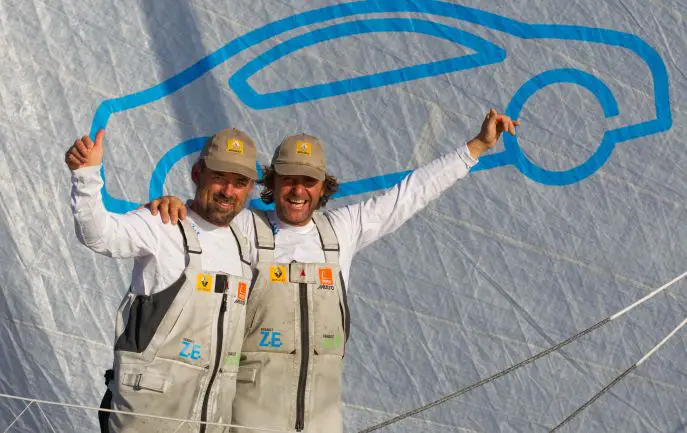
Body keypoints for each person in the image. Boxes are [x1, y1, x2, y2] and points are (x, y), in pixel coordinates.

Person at [150, 109, 519, 433]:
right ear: (271, 182)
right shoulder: (243, 229)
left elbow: (411, 194)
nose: (297, 191)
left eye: (308, 181)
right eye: (289, 179)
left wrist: (476, 147)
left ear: (324, 187)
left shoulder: (343, 230)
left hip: (321, 423)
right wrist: (175, 205)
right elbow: (208, 211)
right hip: (248, 421)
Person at [66, 128, 259, 433]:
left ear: (250, 189)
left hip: (210, 421)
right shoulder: (163, 223)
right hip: (146, 418)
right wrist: (86, 175)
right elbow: (99, 236)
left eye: (240, 182)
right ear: (197, 174)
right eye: (219, 177)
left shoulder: (244, 245)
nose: (228, 190)